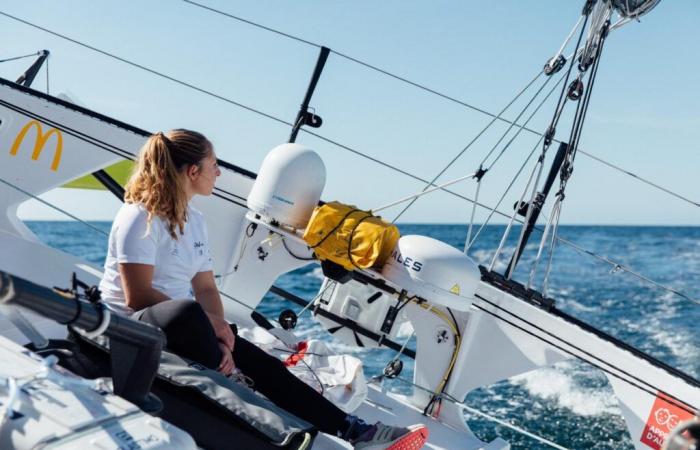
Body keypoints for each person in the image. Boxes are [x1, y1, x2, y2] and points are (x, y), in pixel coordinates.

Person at [99, 129, 429, 450]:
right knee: (189, 314)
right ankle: (232, 381)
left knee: (260, 361)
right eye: (214, 163)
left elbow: (206, 288)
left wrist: (221, 333)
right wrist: (211, 326)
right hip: (133, 325)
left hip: (188, 326)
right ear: (193, 171)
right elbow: (137, 296)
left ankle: (357, 432)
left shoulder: (194, 220)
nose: (219, 171)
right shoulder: (138, 217)